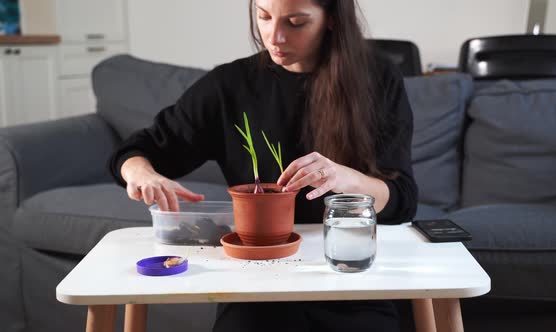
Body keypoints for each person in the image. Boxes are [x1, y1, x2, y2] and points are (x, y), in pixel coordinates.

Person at [110, 0, 417, 331]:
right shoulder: (229, 85)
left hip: (349, 276)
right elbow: (137, 151)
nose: (275, 37)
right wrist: (141, 173)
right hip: (256, 280)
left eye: (296, 23)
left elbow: (402, 200)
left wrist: (346, 179)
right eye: (264, 17)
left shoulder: (377, 79)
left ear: (331, 19)